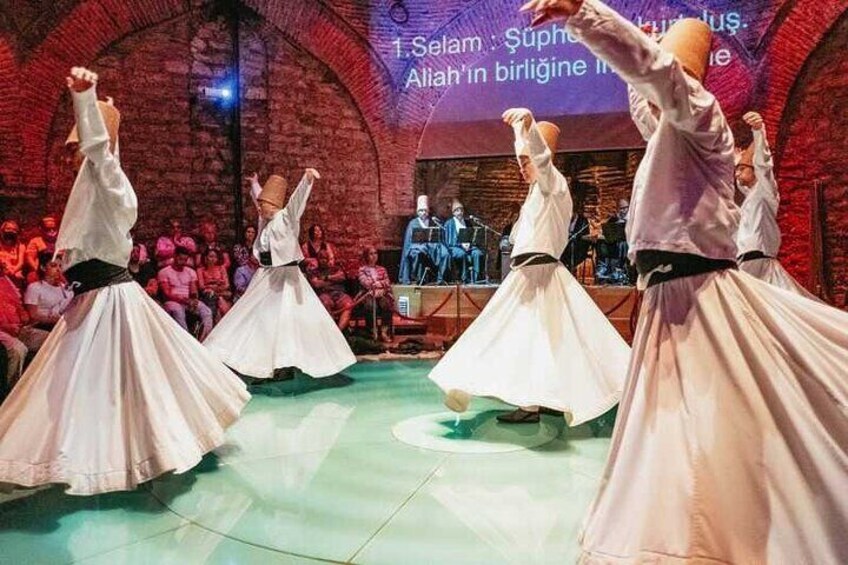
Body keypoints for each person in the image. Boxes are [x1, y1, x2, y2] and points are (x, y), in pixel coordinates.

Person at [521, 1, 848, 562]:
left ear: (685, 77)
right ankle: (677, 530)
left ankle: (724, 534)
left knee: (714, 415)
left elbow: (660, 78)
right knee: (669, 422)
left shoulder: (701, 113)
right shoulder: (672, 130)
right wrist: (636, 79)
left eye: (665, 75)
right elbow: (651, 108)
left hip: (697, 294)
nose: (653, 95)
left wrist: (585, 15)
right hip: (668, 296)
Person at [0, 66, 249, 495]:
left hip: (109, 298)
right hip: (91, 298)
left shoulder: (109, 177)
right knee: (89, 383)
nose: (72, 156)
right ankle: (97, 455)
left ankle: (132, 456)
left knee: (122, 381)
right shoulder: (95, 185)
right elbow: (101, 158)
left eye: (77, 146)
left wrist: (86, 100)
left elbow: (102, 152)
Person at [428, 108, 630, 424]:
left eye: (526, 162)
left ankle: (531, 403)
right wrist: (519, 133)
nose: (522, 168)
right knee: (526, 338)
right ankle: (540, 398)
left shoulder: (554, 184)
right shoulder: (537, 191)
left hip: (541, 275)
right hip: (527, 275)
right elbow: (531, 153)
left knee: (529, 337)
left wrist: (530, 125)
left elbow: (541, 158)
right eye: (520, 162)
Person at [204, 172, 355, 380]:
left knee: (287, 322)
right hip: (266, 275)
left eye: (263, 205)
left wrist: (306, 179)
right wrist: (256, 184)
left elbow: (297, 201)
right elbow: (259, 200)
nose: (259, 209)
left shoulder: (286, 217)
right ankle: (260, 365)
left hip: (286, 277)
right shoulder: (264, 221)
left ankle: (285, 365)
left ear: (271, 205)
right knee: (257, 320)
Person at [735, 111, 818, 298]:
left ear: (754, 170)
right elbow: (737, 184)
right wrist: (735, 161)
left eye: (741, 170)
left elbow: (764, 165)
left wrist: (759, 131)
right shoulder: (749, 199)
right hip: (745, 265)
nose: (737, 176)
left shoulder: (764, 191)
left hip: (760, 265)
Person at [158, 247, 214, 339]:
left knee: (207, 311)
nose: (182, 262)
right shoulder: (164, 272)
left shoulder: (190, 271)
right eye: (180, 259)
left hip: (188, 300)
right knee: (178, 310)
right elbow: (167, 293)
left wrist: (194, 299)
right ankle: (186, 339)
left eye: (185, 260)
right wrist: (185, 301)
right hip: (172, 301)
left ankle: (204, 339)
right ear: (174, 256)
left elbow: (193, 290)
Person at [398, 195, 449, 285]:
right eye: (421, 211)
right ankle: (418, 279)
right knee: (419, 253)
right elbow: (409, 241)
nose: (423, 213)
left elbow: (438, 236)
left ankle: (441, 279)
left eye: (425, 211)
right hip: (416, 247)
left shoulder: (433, 221)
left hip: (432, 246)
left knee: (445, 253)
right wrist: (419, 246)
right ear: (418, 212)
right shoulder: (413, 223)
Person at [307, 250, 354, 332]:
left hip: (339, 294)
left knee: (348, 304)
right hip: (324, 294)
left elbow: (342, 276)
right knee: (325, 303)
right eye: (321, 258)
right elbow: (316, 284)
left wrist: (326, 278)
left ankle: (339, 332)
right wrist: (334, 280)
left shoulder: (335, 269)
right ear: (317, 259)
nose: (323, 260)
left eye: (325, 258)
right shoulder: (314, 272)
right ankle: (330, 332)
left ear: (328, 259)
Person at [23, 255, 73, 332]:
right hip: (41, 328)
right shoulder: (34, 287)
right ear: (43, 267)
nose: (58, 269)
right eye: (53, 266)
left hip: (61, 327)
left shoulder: (65, 288)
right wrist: (56, 321)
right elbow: (33, 315)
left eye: (60, 266)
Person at [443, 199, 486, 283]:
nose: (460, 212)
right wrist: (461, 245)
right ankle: (464, 278)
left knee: (478, 253)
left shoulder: (467, 222)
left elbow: (472, 236)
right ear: (453, 212)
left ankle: (476, 278)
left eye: (461, 210)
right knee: (461, 254)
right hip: (455, 247)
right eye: (457, 210)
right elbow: (448, 240)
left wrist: (469, 244)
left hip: (469, 246)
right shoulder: (449, 223)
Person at [358, 245, 395, 342]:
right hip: (369, 294)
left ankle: (384, 331)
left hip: (382, 293)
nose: (374, 256)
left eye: (375, 253)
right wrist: (376, 285)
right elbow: (365, 282)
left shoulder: (382, 269)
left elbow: (387, 282)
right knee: (370, 306)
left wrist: (379, 284)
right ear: (366, 256)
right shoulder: (362, 269)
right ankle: (372, 331)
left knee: (387, 304)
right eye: (371, 254)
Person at [595, 198, 630, 284]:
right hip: (613, 242)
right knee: (601, 242)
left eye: (625, 208)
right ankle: (603, 267)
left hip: (626, 242)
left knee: (621, 244)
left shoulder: (631, 219)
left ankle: (619, 270)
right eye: (621, 208)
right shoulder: (613, 219)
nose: (623, 210)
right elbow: (606, 231)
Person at [197, 247, 232, 322]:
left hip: (221, 292)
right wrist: (216, 284)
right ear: (206, 257)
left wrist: (211, 285)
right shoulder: (200, 270)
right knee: (219, 300)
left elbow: (227, 285)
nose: (213, 259)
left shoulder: (221, 268)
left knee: (221, 301)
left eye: (215, 257)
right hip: (208, 294)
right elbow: (201, 286)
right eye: (211, 256)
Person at [25, 215, 58, 283]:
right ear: (41, 229)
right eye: (47, 229)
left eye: (53, 228)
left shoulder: (61, 241)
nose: (51, 231)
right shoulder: (35, 241)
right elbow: (29, 258)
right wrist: (38, 270)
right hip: (41, 272)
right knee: (32, 276)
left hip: (59, 272)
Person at [560, 203, 591, 273]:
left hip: (579, 247)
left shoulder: (583, 221)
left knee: (571, 246)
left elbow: (585, 236)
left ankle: (570, 268)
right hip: (566, 245)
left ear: (574, 212)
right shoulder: (565, 220)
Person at [0, 220, 27, 289]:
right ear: (2, 230)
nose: (11, 231)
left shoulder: (21, 246)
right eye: (8, 229)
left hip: (15, 274)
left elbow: (21, 263)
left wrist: (13, 271)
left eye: (14, 229)